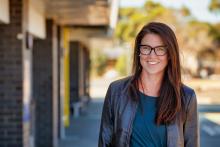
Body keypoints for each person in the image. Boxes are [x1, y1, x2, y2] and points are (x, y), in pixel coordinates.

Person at [98, 22, 199, 147]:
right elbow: (104, 141)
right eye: (146, 48)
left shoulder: (186, 97)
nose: (152, 55)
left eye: (160, 49)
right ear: (139, 51)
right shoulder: (117, 91)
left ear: (170, 55)